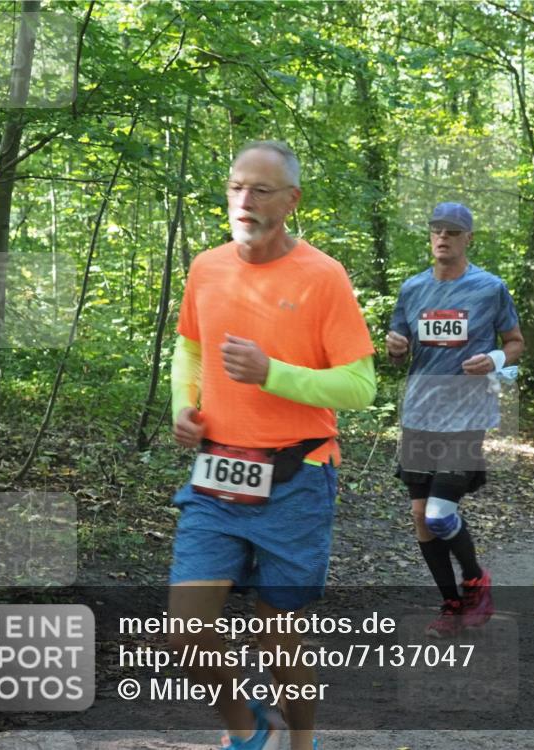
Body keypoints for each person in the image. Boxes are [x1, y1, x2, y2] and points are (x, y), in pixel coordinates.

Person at [167, 141, 377, 750]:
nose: (244, 200)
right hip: (217, 476)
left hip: (298, 479)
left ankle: (302, 743)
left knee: (280, 640)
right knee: (185, 633)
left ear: (291, 200)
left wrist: (273, 373)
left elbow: (360, 385)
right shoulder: (206, 267)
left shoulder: (322, 275)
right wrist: (184, 404)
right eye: (236, 186)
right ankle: (247, 728)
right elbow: (191, 346)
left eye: (261, 190)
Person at [387, 202, 524, 638]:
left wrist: (496, 358)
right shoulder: (411, 290)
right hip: (420, 413)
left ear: (468, 238)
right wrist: (393, 348)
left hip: (466, 414)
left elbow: (517, 342)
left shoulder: (489, 288)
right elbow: (399, 348)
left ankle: (476, 580)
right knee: (419, 515)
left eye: (452, 230)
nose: (442, 237)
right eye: (436, 230)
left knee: (441, 514)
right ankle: (450, 603)